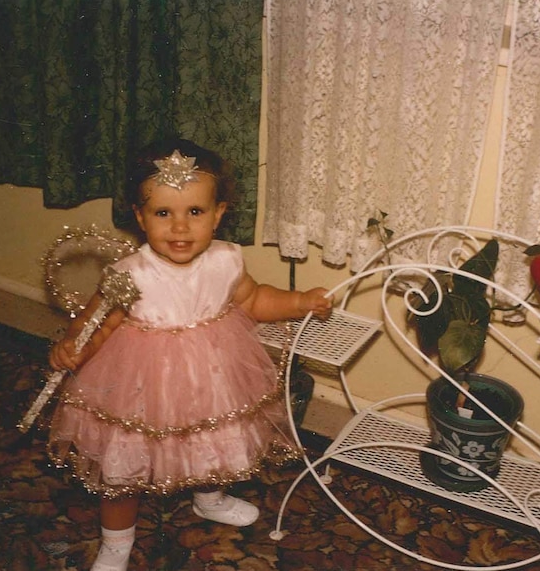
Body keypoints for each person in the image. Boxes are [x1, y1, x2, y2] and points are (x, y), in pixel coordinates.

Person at [46, 138, 333, 571]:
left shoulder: (225, 261)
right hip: (139, 386)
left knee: (211, 440)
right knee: (124, 465)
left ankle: (209, 498)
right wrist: (72, 348)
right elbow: (95, 326)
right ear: (140, 217)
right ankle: (116, 542)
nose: (180, 228)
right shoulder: (130, 274)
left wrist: (299, 301)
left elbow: (254, 300)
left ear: (218, 214)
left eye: (195, 212)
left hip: (211, 376)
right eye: (164, 213)